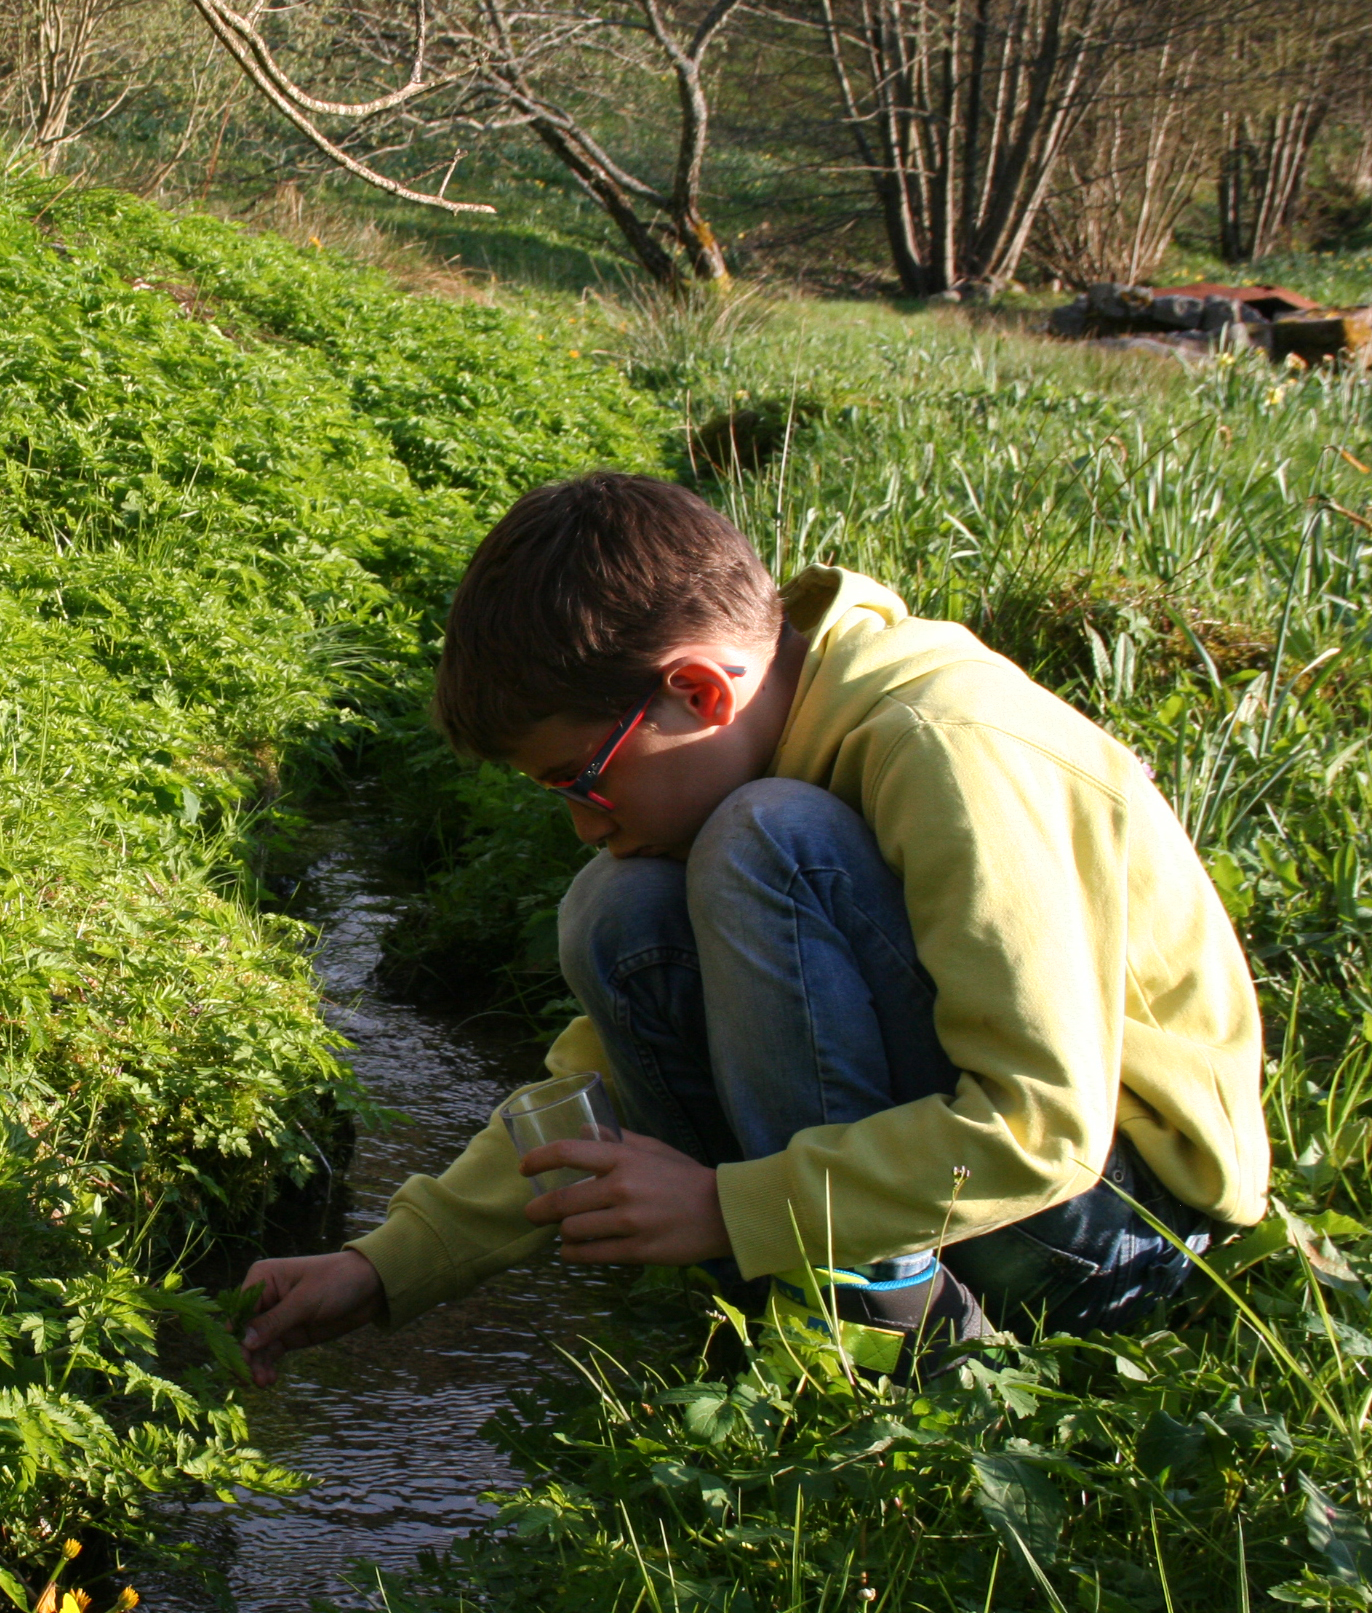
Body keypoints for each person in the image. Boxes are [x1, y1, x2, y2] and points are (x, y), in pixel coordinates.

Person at [238, 472, 1269, 1387]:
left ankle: (891, 1351)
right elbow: (588, 1099)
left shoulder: (942, 743)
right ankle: (803, 1301)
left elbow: (1038, 1132)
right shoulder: (762, 742)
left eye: (578, 779)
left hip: (1113, 1234)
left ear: (697, 691)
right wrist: (387, 1265)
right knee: (613, 905)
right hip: (962, 1194)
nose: (582, 821)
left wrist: (728, 1208)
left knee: (761, 840)